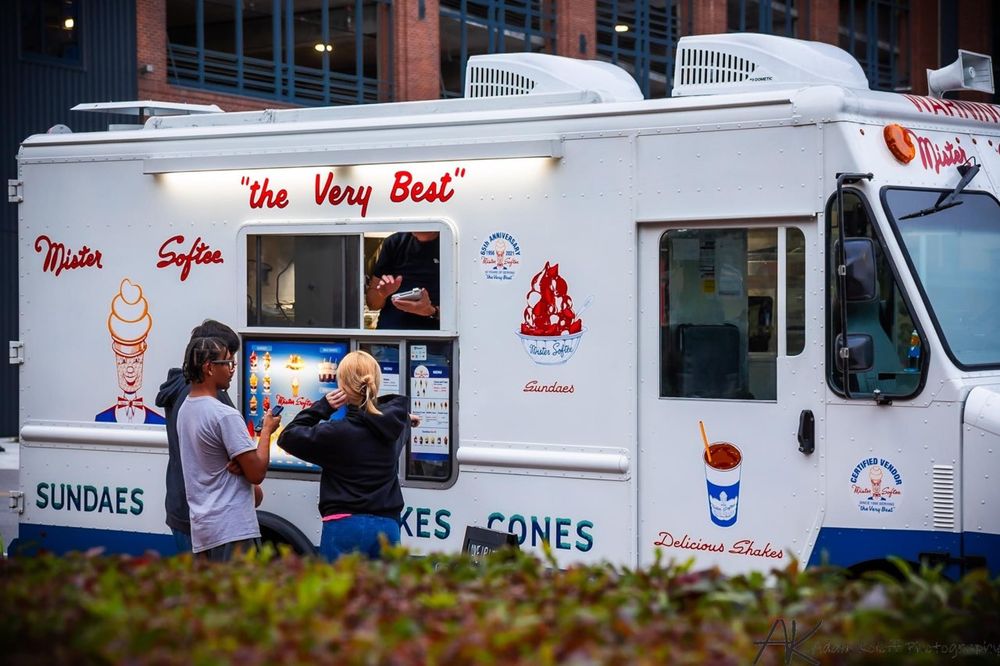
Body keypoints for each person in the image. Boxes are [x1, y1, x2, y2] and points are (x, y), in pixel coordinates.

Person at [277, 350, 414, 560]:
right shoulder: (396, 427)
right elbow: (395, 417)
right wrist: (404, 417)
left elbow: (287, 437)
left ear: (342, 387)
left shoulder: (335, 433)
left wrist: (323, 407)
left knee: (341, 592)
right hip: (388, 527)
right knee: (384, 593)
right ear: (376, 381)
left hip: (344, 526)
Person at [178, 336, 280, 561]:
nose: (233, 369)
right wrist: (266, 432)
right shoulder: (225, 414)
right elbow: (257, 472)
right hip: (233, 530)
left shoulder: (185, 409)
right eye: (228, 363)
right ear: (209, 368)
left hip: (204, 529)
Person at [156, 320, 244, 553]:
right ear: (210, 362)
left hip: (182, 507)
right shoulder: (208, 398)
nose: (231, 367)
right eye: (228, 359)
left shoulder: (182, 391)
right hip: (206, 515)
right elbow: (243, 461)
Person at [366, 231, 440, 329]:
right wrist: (382, 294)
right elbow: (372, 304)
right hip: (390, 337)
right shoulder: (394, 242)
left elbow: (465, 308)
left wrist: (432, 311)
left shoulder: (453, 241)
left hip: (437, 337)